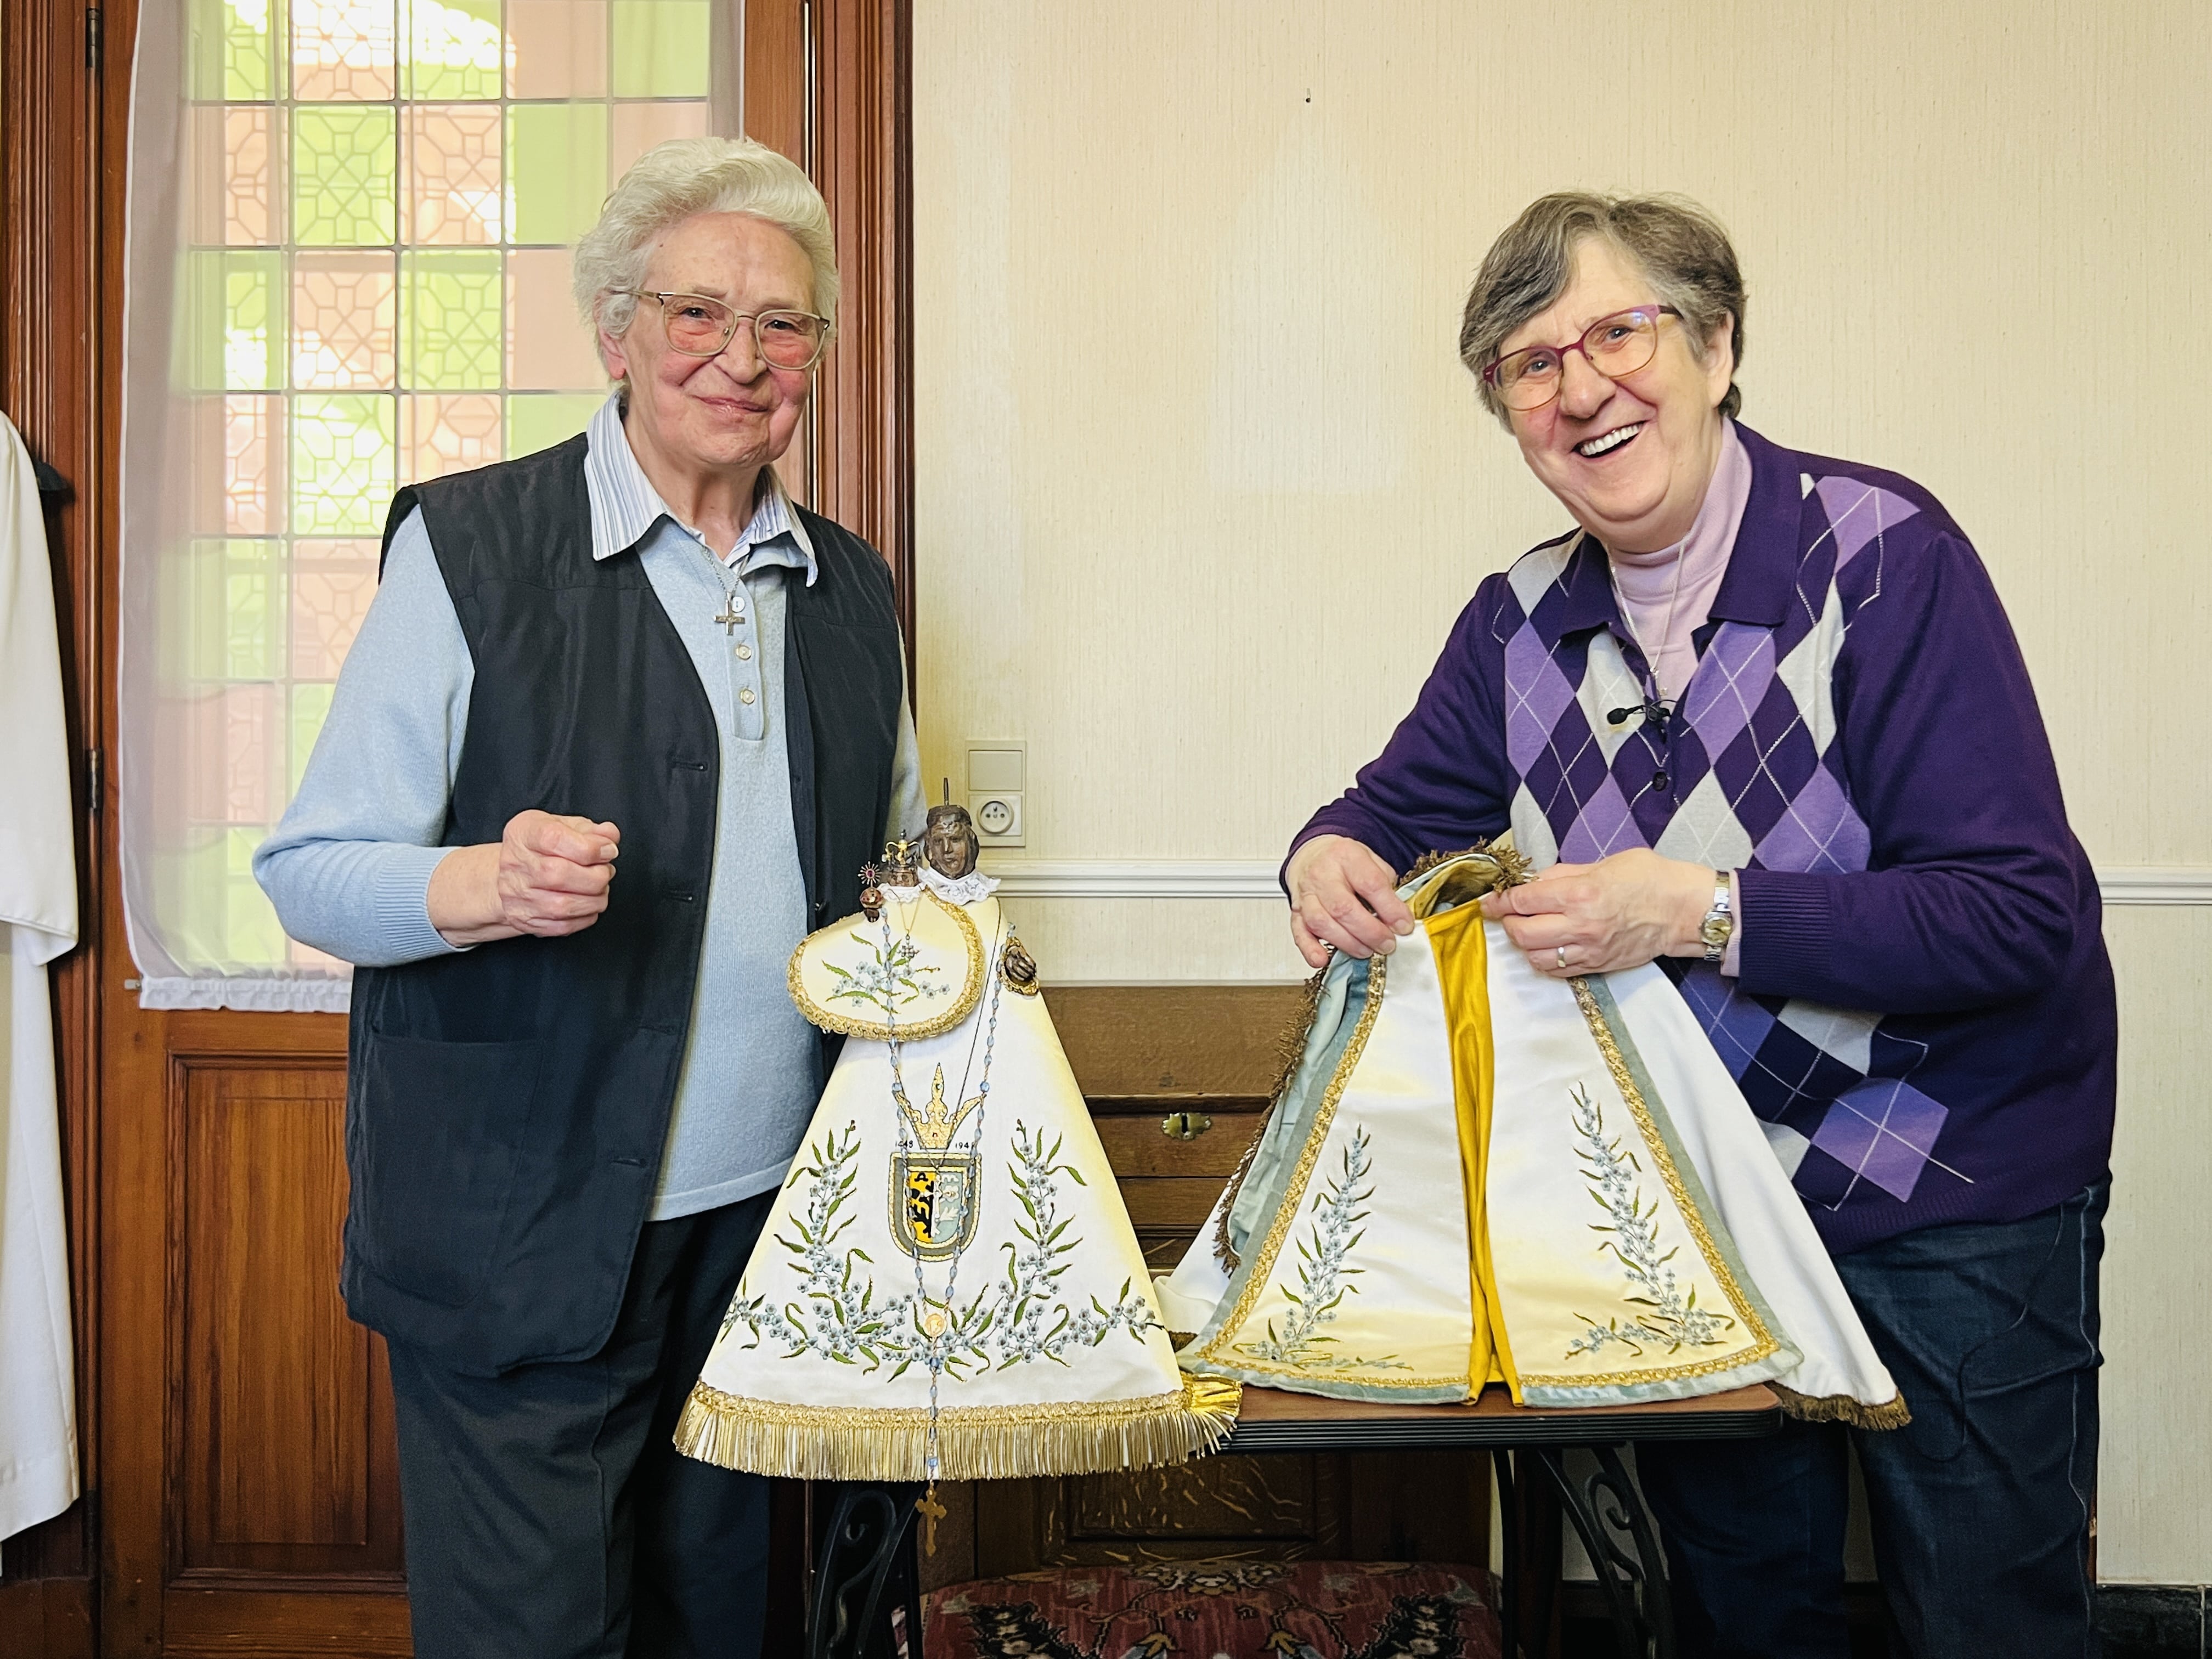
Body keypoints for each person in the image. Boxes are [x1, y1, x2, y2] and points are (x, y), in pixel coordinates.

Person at [1283, 192, 2114, 1658]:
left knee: (1992, 1622)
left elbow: (2016, 919)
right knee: (1743, 1621)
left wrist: (1700, 913)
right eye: (1531, 364)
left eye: (1620, 329)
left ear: (1718, 348)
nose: (1580, 385)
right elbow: (1383, 809)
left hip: (1955, 1186)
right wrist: (1327, 855)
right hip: (1701, 1212)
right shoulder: (1516, 620)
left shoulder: (1885, 559)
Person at [255, 136, 922, 1659]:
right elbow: (307, 872)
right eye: (697, 313)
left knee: (727, 1632)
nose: (741, 359)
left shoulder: (854, 591)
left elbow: (887, 890)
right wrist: (481, 882)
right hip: (518, 1239)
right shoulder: (470, 548)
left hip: (763, 1251)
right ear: (616, 331)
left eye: (784, 325)